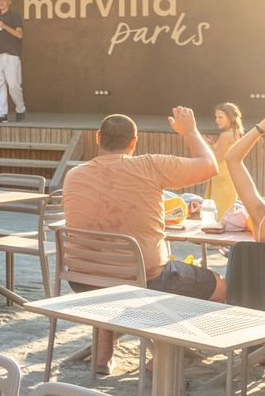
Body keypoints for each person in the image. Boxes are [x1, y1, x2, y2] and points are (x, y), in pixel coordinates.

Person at [62, 108, 224, 374]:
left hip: (82, 279)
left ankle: (102, 358)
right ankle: (162, 356)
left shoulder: (74, 175)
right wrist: (191, 131)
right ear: (134, 143)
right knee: (221, 287)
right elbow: (210, 166)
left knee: (110, 273)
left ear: (98, 138)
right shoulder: (149, 165)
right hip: (145, 281)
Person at [223, 116, 265, 242]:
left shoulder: (260, 213)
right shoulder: (260, 212)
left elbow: (232, 159)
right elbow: (232, 159)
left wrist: (261, 127)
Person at [0, 0, 25, 123]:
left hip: (12, 55)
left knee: (14, 85)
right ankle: (1, 113)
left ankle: (20, 108)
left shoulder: (14, 16)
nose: (1, 3)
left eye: (4, 0)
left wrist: (3, 26)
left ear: (9, 2)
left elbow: (19, 35)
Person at [208, 102, 243, 218]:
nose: (217, 120)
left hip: (221, 176)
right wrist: (213, 144)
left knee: (219, 213)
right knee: (229, 210)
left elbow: (217, 157)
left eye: (220, 117)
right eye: (216, 117)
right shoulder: (238, 133)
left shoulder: (225, 135)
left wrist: (205, 145)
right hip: (231, 175)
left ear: (231, 118)